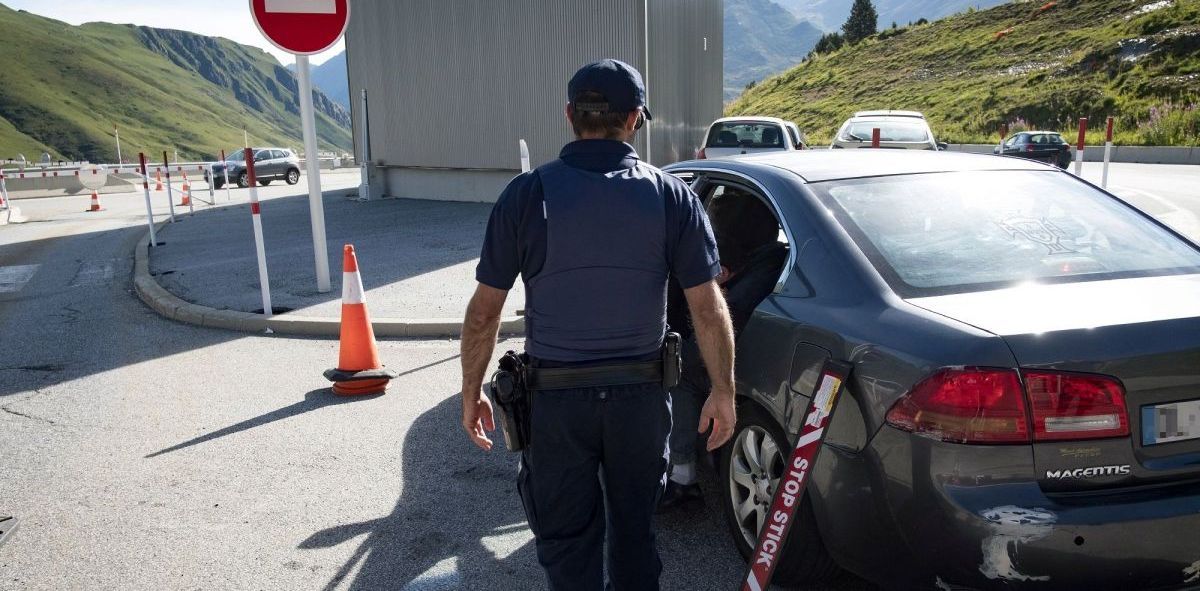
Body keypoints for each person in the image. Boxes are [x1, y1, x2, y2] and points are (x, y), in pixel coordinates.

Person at [458, 59, 738, 590]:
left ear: (569, 115)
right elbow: (708, 307)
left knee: (567, 545)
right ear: (635, 119)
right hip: (639, 400)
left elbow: (483, 313)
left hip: (555, 404)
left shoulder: (526, 195)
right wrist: (723, 391)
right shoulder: (671, 196)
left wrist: (471, 392)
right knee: (635, 538)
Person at [659, 189, 788, 511]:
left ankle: (682, 477)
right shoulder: (775, 258)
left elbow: (706, 311)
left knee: (682, 369)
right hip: (768, 343)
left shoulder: (710, 250)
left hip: (729, 342)